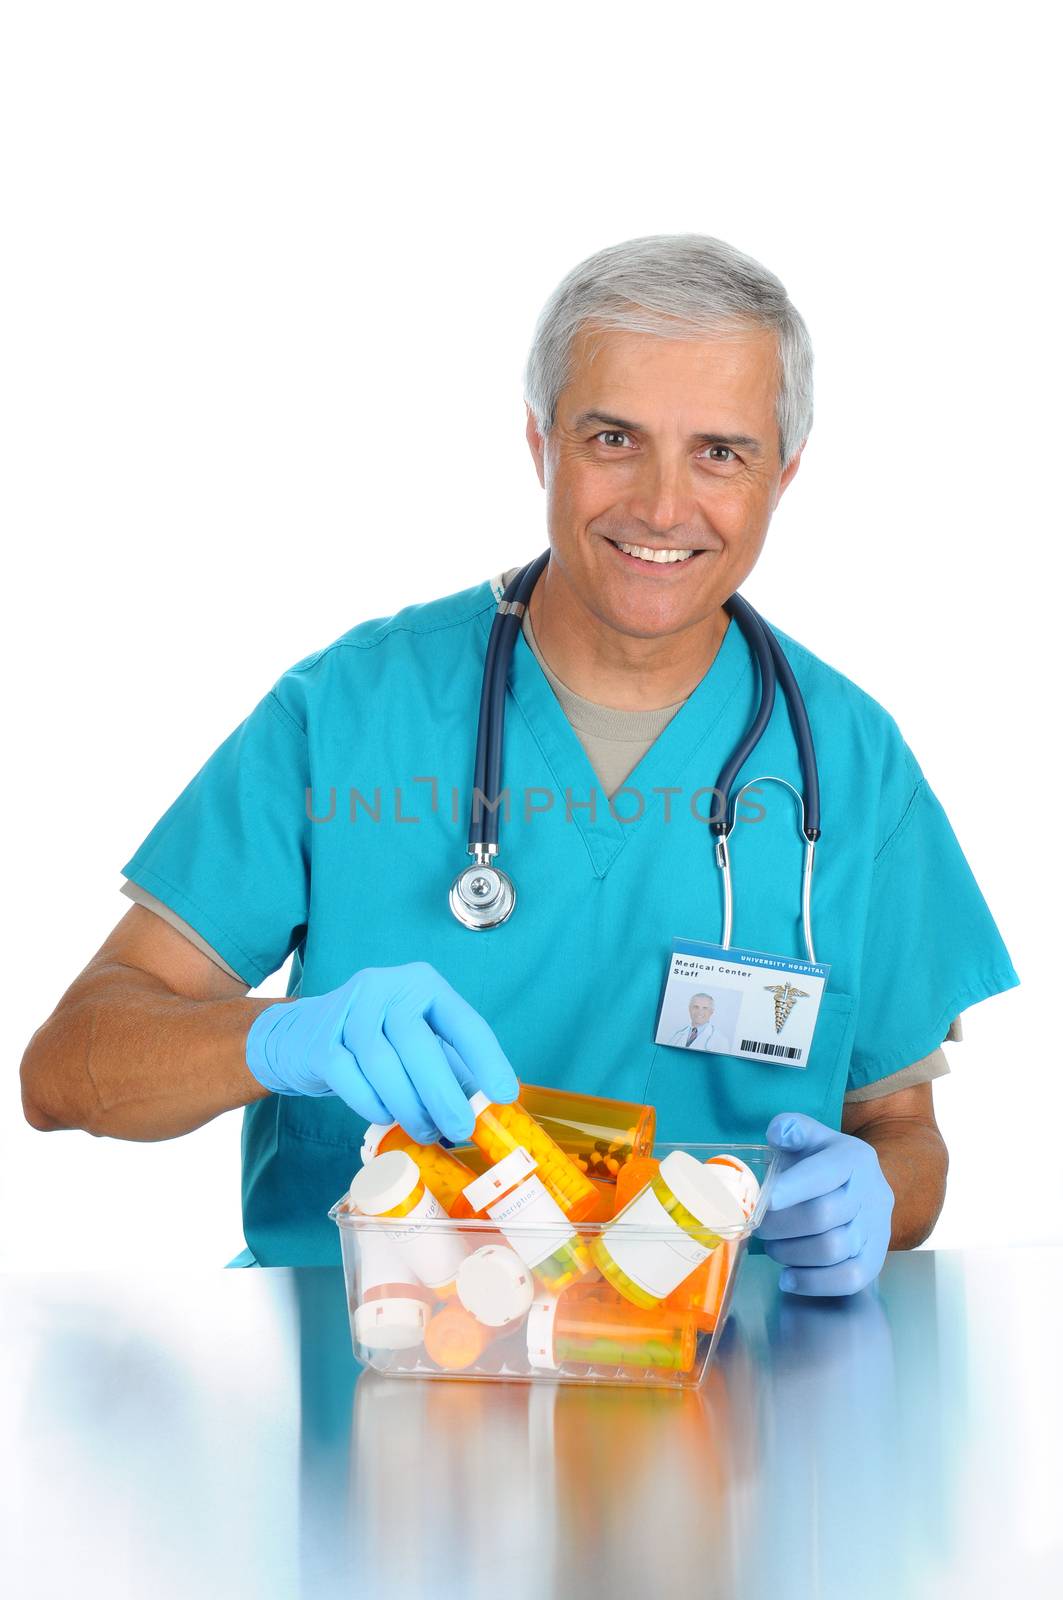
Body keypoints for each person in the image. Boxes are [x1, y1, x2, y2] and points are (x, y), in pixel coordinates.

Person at [20, 234, 1018, 1295]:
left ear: (785, 473)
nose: (662, 504)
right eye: (613, 437)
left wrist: (871, 1192)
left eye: (720, 451)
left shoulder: (850, 764)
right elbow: (65, 1070)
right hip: (366, 1379)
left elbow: (900, 1131)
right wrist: (276, 1041)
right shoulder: (352, 712)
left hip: (712, 1399)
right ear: (541, 443)